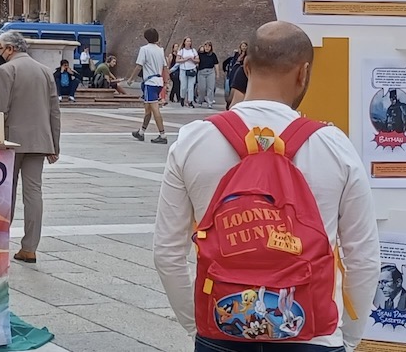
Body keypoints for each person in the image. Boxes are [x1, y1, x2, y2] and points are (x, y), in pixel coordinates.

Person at [153, 21, 379, 351]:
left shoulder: (194, 140)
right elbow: (363, 257)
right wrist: (348, 335)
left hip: (221, 330)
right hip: (312, 333)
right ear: (303, 73)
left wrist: (198, 326)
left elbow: (167, 254)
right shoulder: (333, 145)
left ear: (245, 67)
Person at [0, 31, 61, 264]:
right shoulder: (44, 71)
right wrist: (54, 144)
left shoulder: (5, 71)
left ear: (10, 49)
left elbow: (0, 110)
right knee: (34, 194)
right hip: (40, 141)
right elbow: (54, 111)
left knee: (5, 193)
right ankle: (30, 248)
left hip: (11, 141)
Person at [132, 29, 169, 143]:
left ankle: (162, 135)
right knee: (148, 109)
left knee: (154, 109)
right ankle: (141, 132)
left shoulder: (144, 49)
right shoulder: (160, 50)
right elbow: (165, 67)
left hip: (150, 83)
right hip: (158, 82)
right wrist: (166, 82)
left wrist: (130, 78)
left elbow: (139, 66)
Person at [175, 38, 200, 107]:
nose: (189, 42)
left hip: (192, 69)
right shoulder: (181, 51)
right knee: (183, 86)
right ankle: (182, 97)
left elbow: (198, 60)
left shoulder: (193, 50)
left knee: (191, 86)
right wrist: (185, 59)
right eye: (187, 41)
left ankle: (190, 101)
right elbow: (177, 60)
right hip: (183, 69)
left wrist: (192, 59)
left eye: (190, 41)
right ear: (184, 42)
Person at [196, 42, 219, 109]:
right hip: (201, 72)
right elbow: (196, 60)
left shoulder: (213, 55)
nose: (207, 48)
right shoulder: (200, 54)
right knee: (202, 88)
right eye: (206, 46)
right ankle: (200, 100)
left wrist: (217, 74)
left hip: (210, 72)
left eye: (209, 46)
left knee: (210, 88)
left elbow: (216, 64)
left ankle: (210, 102)